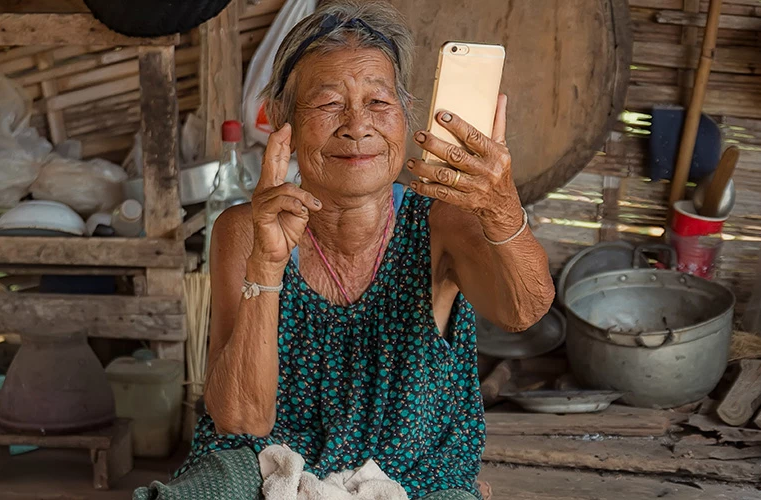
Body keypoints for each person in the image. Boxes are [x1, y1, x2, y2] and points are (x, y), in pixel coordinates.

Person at [134, 1, 553, 498]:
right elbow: (241, 420)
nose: (358, 125)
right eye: (330, 104)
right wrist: (267, 265)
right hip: (271, 470)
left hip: (413, 480)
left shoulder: (441, 222)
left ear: (404, 119)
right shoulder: (247, 229)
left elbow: (523, 311)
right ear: (283, 123)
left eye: (379, 103)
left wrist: (503, 210)